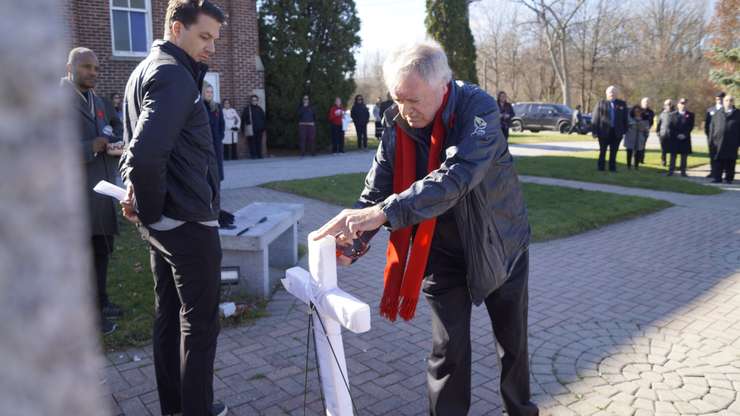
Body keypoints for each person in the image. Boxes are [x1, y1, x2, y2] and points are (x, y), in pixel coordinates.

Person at [313, 41, 537, 416]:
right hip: (439, 251)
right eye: (397, 99)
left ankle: (521, 411)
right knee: (447, 352)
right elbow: (376, 192)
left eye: (413, 100)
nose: (404, 110)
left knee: (512, 345)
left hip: (500, 241)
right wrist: (354, 238)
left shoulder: (478, 109)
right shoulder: (396, 122)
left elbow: (457, 178)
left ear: (443, 85)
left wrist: (383, 213)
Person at [118, 1, 228, 415]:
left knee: (170, 316)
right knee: (199, 326)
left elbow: (145, 151)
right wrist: (147, 208)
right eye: (204, 37)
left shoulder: (148, 69)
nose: (211, 48)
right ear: (177, 28)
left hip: (166, 223)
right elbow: (145, 156)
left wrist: (146, 208)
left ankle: (177, 407)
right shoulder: (172, 74)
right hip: (185, 225)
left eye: (215, 40)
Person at [63, 47, 121, 336]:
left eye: (96, 68)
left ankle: (102, 301)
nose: (93, 73)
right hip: (75, 199)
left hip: (102, 193)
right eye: (86, 67)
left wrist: (114, 144)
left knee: (101, 253)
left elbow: (115, 126)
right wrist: (91, 146)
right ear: (69, 67)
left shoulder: (97, 101)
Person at [591, 85, 629, 171]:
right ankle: (601, 167)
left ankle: (612, 168)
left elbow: (625, 118)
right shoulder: (601, 103)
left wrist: (625, 130)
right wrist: (594, 131)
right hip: (603, 132)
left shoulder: (622, 104)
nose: (612, 94)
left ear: (617, 94)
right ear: (606, 93)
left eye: (614, 92)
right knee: (603, 151)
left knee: (614, 151)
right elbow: (595, 118)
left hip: (617, 132)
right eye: (610, 92)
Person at [709, 94, 739, 184]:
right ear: (723, 101)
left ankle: (729, 178)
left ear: (733, 102)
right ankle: (717, 178)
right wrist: (711, 141)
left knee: (730, 161)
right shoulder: (718, 113)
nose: (728, 102)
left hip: (732, 142)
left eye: (730, 100)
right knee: (718, 160)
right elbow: (712, 127)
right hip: (718, 141)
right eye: (726, 100)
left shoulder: (738, 113)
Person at [667, 98, 694, 177]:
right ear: (678, 104)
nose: (683, 105)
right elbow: (670, 127)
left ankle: (683, 172)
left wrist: (684, 134)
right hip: (674, 138)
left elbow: (690, 126)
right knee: (673, 156)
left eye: (685, 103)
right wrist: (677, 135)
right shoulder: (672, 115)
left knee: (684, 156)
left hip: (685, 138)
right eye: (681, 103)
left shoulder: (690, 115)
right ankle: (671, 171)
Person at [203, 84, 224, 180]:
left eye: (211, 92)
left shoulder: (217, 106)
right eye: (207, 92)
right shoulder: (200, 107)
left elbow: (221, 123)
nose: (209, 94)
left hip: (216, 141)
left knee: (217, 165)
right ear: (203, 93)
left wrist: (220, 136)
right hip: (205, 141)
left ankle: (217, 185)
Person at [706, 92, 726, 177]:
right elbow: (707, 124)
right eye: (717, 99)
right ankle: (713, 171)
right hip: (712, 137)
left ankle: (723, 172)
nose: (719, 100)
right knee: (713, 154)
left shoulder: (726, 109)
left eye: (721, 99)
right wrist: (708, 135)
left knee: (723, 155)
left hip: (723, 137)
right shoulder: (710, 110)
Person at [241, 94, 266, 159]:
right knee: (251, 143)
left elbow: (263, 118)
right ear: (250, 101)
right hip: (251, 129)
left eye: (255, 100)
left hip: (259, 129)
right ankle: (253, 155)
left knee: (259, 142)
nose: (254, 101)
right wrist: (242, 129)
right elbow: (243, 119)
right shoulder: (247, 109)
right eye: (253, 100)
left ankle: (259, 155)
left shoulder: (260, 109)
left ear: (257, 101)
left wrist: (264, 127)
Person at [656, 99, 674, 166]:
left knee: (672, 150)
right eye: (666, 104)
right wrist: (658, 133)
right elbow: (658, 124)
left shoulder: (674, 113)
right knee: (663, 150)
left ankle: (672, 163)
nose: (668, 106)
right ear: (664, 105)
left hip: (672, 135)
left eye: (669, 104)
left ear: (671, 105)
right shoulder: (662, 114)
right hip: (663, 135)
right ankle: (663, 161)